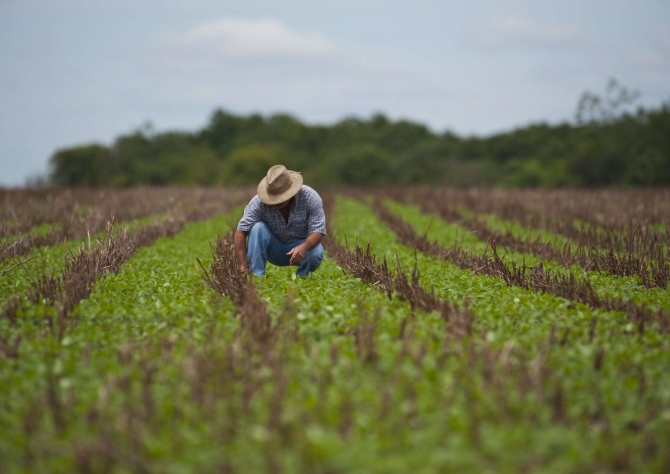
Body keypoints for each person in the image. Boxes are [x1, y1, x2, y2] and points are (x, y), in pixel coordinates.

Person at [235, 165, 326, 277]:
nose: (277, 201)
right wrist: (242, 264)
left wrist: (304, 247)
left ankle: (302, 278)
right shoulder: (258, 203)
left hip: (301, 246)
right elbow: (241, 231)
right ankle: (256, 277)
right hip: (274, 249)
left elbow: (317, 231)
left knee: (316, 251)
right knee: (257, 228)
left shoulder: (310, 198)